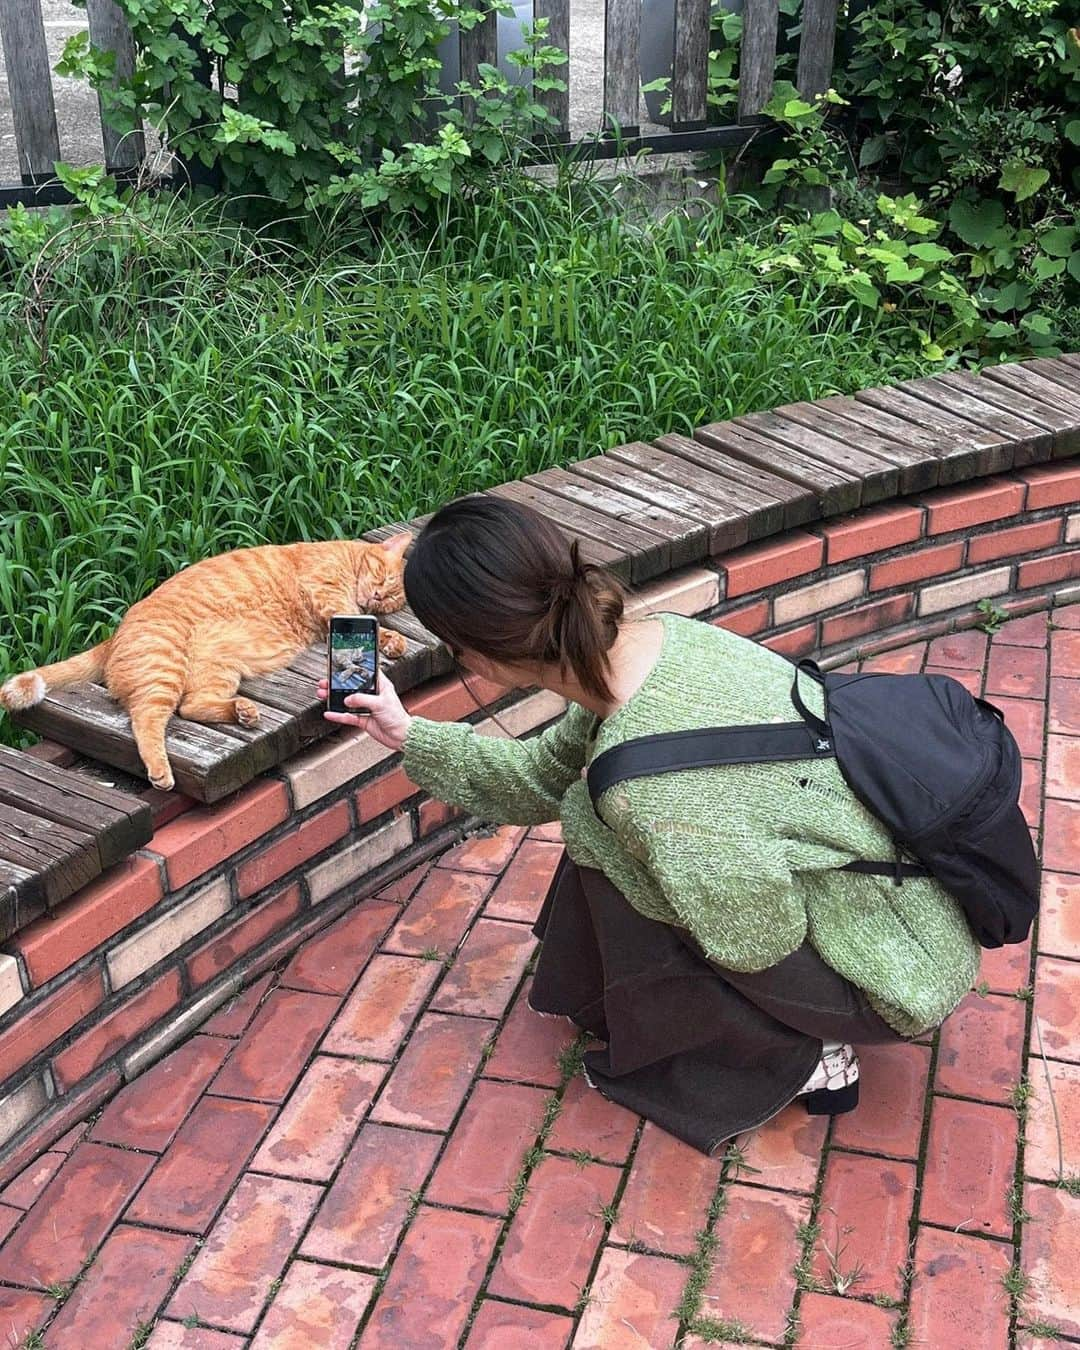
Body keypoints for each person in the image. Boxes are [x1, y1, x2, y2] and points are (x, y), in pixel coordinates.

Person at [320, 495, 981, 1156]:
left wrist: (610, 829)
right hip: (911, 903)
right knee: (610, 825)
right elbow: (541, 776)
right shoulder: (652, 643)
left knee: (608, 836)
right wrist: (409, 736)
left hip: (892, 977)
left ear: (479, 657)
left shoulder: (646, 786)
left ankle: (804, 1060)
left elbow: (757, 938)